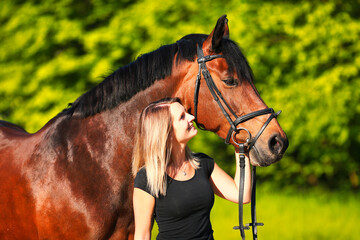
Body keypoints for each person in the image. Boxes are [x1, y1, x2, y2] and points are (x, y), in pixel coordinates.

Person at [132, 97, 251, 240]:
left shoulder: (203, 163)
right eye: (182, 117)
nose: (191, 117)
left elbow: (242, 195)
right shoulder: (147, 177)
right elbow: (142, 235)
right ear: (167, 133)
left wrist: (240, 148)